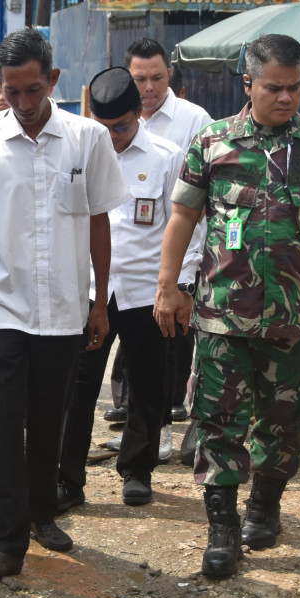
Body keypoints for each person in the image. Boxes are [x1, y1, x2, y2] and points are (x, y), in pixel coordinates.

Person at [155, 33, 300, 580]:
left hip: (295, 320)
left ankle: (264, 506)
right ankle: (222, 528)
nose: (286, 97)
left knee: (285, 421)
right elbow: (182, 217)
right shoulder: (213, 142)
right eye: (274, 87)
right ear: (247, 83)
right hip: (223, 314)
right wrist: (168, 286)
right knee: (218, 421)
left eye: (295, 87)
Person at [0, 28, 127, 583]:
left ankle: (42, 514)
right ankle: (7, 542)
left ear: (52, 80)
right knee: (5, 424)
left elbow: (100, 223)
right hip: (4, 307)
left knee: (50, 418)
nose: (24, 104)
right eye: (11, 92)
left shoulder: (87, 140)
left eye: (33, 90)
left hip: (65, 309)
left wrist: (100, 303)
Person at [56, 67, 198, 514]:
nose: (113, 136)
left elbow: (191, 226)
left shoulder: (166, 155)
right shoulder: (75, 154)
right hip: (89, 293)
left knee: (147, 383)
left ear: (139, 114)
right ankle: (67, 478)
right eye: (104, 127)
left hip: (145, 291)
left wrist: (177, 287)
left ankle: (137, 470)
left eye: (121, 126)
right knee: (76, 387)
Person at [109, 37, 213, 429]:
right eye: (140, 79)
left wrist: (187, 273)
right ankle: (125, 404)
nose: (149, 88)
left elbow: (197, 204)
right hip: (123, 250)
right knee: (120, 335)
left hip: (172, 244)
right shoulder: (109, 116)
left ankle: (166, 410)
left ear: (170, 75)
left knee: (170, 340)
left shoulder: (194, 120)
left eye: (157, 78)